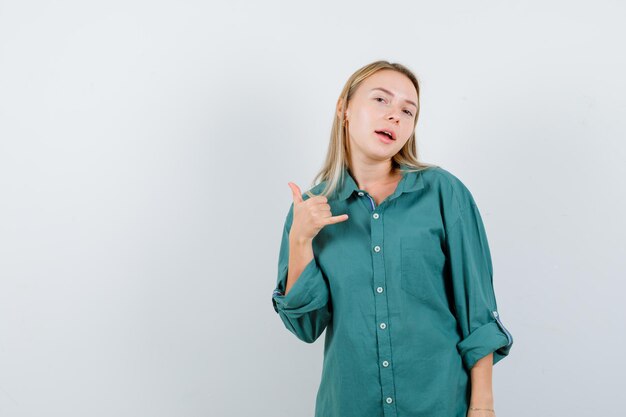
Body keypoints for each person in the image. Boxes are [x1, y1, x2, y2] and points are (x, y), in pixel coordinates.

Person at [271, 60, 514, 417]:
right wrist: (301, 239)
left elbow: (477, 310)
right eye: (381, 100)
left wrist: (482, 407)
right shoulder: (310, 210)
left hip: (439, 404)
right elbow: (306, 327)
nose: (395, 116)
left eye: (407, 110)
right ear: (345, 108)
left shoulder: (444, 193)